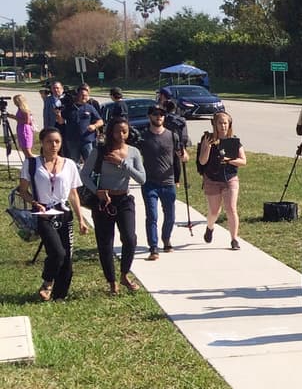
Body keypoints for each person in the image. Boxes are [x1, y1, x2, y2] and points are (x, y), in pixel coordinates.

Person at [19, 127, 89, 301]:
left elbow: (73, 193)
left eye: (57, 141)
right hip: (43, 214)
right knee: (57, 252)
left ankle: (59, 296)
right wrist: (34, 203)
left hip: (64, 214)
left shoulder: (69, 164)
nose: (54, 145)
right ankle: (47, 282)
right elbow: (23, 191)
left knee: (67, 259)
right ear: (42, 142)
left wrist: (81, 219)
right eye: (49, 141)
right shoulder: (32, 164)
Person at [81, 117, 146, 294]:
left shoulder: (133, 152)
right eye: (117, 131)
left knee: (130, 238)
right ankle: (112, 282)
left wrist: (122, 163)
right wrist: (97, 191)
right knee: (105, 242)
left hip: (124, 199)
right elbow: (84, 175)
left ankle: (124, 274)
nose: (121, 135)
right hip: (103, 201)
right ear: (111, 132)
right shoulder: (100, 150)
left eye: (124, 131)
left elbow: (142, 178)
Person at [137, 104, 187, 259]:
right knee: (152, 215)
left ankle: (166, 239)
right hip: (149, 183)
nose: (159, 116)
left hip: (168, 182)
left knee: (170, 215)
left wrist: (183, 159)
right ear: (149, 116)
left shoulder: (172, 136)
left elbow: (180, 157)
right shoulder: (143, 137)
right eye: (155, 114)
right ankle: (153, 247)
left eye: (161, 114)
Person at [197, 111, 246, 250]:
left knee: (231, 209)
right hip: (212, 179)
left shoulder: (233, 140)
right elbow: (202, 161)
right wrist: (207, 147)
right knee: (214, 212)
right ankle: (210, 227)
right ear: (215, 124)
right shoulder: (208, 139)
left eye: (225, 123)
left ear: (229, 124)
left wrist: (229, 160)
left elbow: (243, 161)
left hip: (230, 178)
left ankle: (234, 239)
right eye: (220, 123)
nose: (223, 126)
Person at [65, 84, 103, 164]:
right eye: (82, 95)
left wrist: (94, 126)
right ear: (77, 95)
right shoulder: (69, 108)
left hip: (87, 141)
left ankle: (89, 176)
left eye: (86, 95)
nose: (84, 97)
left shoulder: (90, 107)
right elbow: (61, 121)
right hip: (72, 141)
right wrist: (57, 113)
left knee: (90, 163)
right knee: (74, 163)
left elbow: (100, 121)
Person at [8, 94, 36, 158]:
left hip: (25, 131)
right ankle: (28, 164)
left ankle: (34, 164)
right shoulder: (20, 109)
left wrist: (15, 118)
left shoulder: (24, 110)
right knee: (24, 150)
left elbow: (27, 121)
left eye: (15, 101)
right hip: (21, 129)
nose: (14, 103)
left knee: (27, 151)